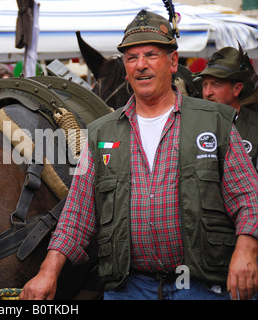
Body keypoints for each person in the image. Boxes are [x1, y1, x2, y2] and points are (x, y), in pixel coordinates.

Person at [20, 10, 258, 300]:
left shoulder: (215, 122)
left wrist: (247, 250)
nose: (141, 65)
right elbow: (77, 214)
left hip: (202, 286)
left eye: (151, 55)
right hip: (131, 288)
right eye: (132, 58)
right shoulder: (101, 133)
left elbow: (248, 197)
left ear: (173, 62)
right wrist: (48, 271)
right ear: (125, 66)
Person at [194, 47, 258, 171]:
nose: (207, 93)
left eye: (216, 85)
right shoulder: (194, 124)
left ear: (237, 89)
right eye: (204, 85)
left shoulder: (254, 126)